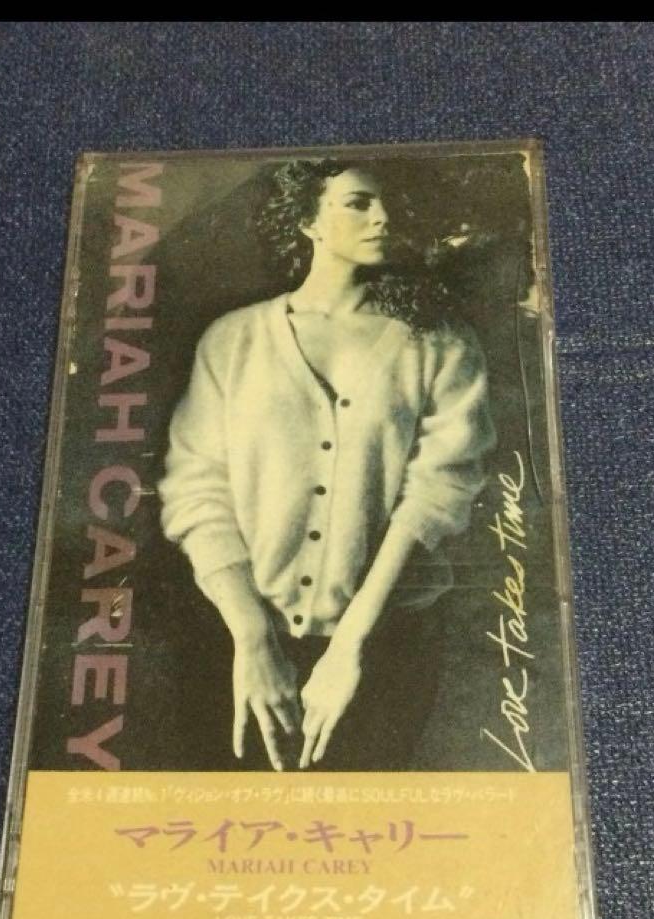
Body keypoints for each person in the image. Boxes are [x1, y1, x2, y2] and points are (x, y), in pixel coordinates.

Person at [157, 159, 495, 771]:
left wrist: (349, 646)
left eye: (387, 204)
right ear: (308, 219)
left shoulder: (439, 342)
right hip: (236, 642)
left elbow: (437, 492)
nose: (382, 217)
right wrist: (252, 637)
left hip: (386, 646)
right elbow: (196, 489)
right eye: (359, 203)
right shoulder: (232, 340)